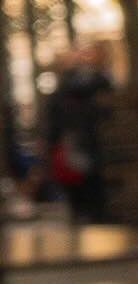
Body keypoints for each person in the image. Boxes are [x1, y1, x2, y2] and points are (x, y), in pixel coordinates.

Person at [45, 46, 114, 222]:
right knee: (93, 194)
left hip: (79, 147)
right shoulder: (98, 85)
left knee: (80, 197)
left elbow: (54, 126)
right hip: (90, 147)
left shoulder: (63, 92)